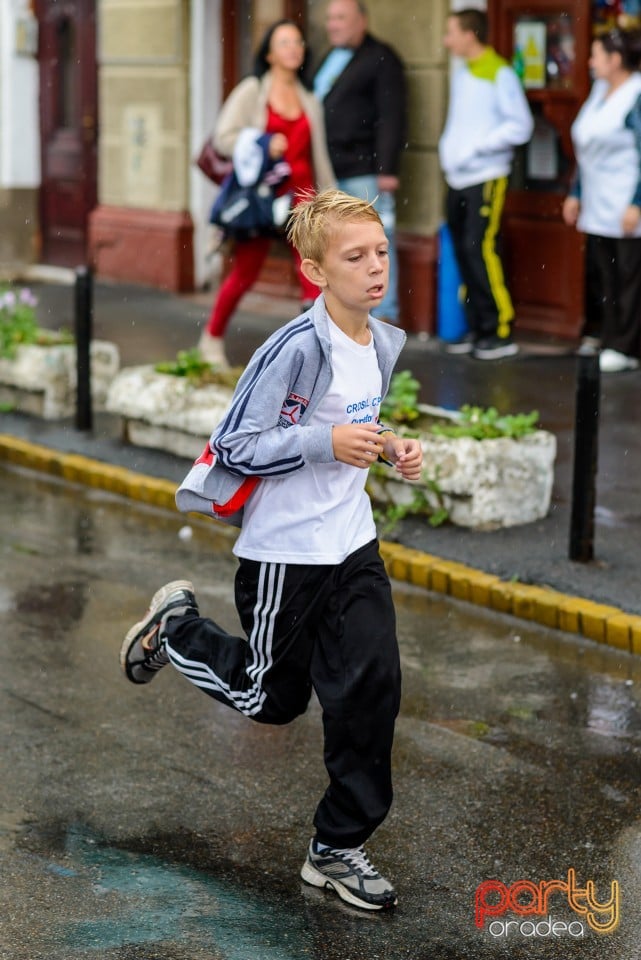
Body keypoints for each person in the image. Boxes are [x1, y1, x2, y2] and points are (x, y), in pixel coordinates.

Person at [120, 190, 423, 912]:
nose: (375, 268)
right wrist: (324, 441)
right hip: (285, 556)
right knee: (270, 699)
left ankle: (336, 848)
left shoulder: (379, 342)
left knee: (370, 692)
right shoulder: (292, 347)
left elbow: (352, 426)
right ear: (316, 273)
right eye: (356, 257)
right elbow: (236, 444)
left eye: (381, 252)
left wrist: (389, 450)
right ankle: (177, 629)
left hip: (350, 546)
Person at [198, 19, 335, 369]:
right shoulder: (253, 90)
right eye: (285, 42)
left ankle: (319, 353)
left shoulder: (310, 98)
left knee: (313, 275)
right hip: (263, 198)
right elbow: (223, 138)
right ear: (270, 53)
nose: (294, 48)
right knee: (246, 271)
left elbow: (319, 157)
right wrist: (262, 142)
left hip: (302, 199)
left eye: (298, 42)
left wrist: (332, 201)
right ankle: (211, 339)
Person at [438, 8, 533, 360]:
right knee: (463, 250)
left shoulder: (500, 73)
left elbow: (520, 126)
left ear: (469, 34)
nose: (446, 41)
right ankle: (477, 327)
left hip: (485, 178)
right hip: (458, 178)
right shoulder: (464, 72)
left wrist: (476, 149)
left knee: (480, 248)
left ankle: (499, 330)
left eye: (451, 33)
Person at [313, 0, 406, 325]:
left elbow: (391, 115)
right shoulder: (330, 56)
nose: (332, 24)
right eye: (330, 18)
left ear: (361, 21)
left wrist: (387, 170)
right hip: (330, 171)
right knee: (338, 246)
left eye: (340, 18)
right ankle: (345, 317)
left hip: (365, 170)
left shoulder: (381, 57)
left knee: (377, 246)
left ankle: (384, 317)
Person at [562, 28, 641, 373]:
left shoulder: (636, 95)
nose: (590, 62)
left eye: (596, 55)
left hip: (627, 200)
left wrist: (637, 202)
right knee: (604, 273)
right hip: (598, 200)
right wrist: (575, 193)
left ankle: (628, 346)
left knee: (629, 275)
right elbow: (586, 149)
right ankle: (608, 336)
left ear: (616, 59)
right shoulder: (599, 93)